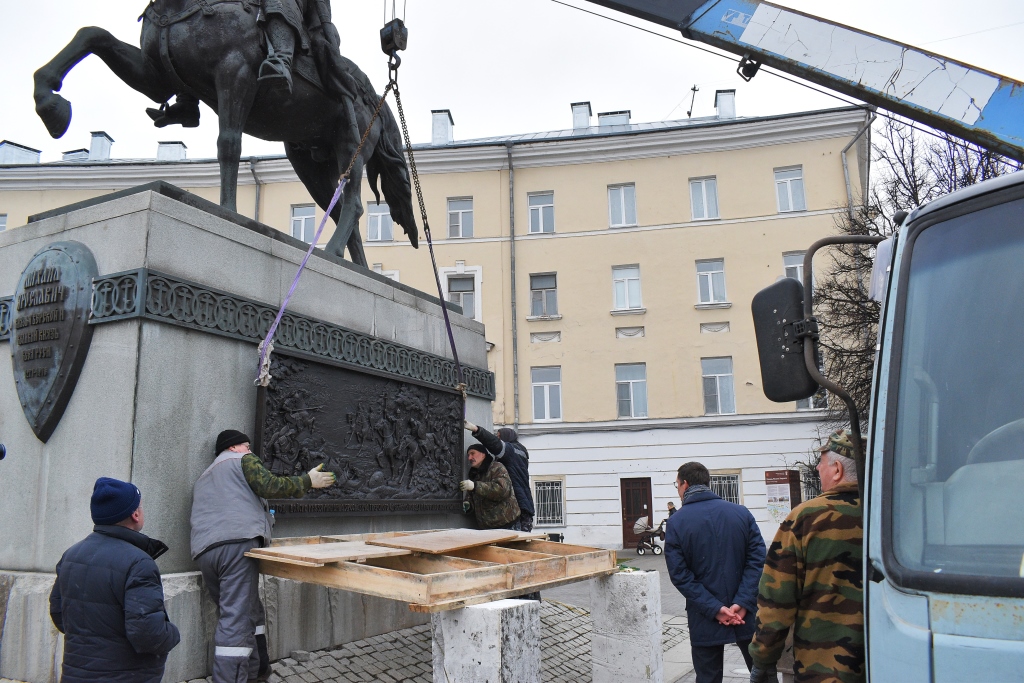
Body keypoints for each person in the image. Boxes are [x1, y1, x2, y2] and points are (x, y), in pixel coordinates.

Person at [191, 429, 335, 683]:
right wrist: (306, 481)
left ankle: (257, 670)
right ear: (233, 447)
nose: (250, 450)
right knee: (236, 619)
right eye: (246, 446)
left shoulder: (205, 477)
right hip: (237, 547)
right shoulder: (242, 460)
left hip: (205, 553)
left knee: (247, 609)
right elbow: (269, 484)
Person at [748, 430, 865, 683]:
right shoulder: (892, 514)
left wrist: (763, 657)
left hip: (822, 670)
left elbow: (777, 601)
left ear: (837, 470)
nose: (817, 468)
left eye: (821, 463)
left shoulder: (805, 518)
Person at [50, 477, 181, 682]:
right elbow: (149, 634)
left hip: (75, 673)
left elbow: (59, 613)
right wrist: (173, 633)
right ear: (135, 514)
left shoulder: (71, 555)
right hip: (125, 675)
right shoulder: (139, 563)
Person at [665, 462, 766, 683]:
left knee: (708, 678)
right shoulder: (741, 513)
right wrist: (743, 602)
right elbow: (758, 560)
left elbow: (680, 574)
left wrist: (715, 609)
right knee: (762, 674)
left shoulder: (676, 522)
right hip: (745, 614)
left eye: (677, 485)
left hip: (704, 614)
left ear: (685, 484)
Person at [465, 420, 536, 531]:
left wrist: (476, 430)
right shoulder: (515, 453)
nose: (498, 439)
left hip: (519, 510)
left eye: (499, 437)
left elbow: (495, 445)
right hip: (520, 506)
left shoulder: (511, 451)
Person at [459, 443, 521, 531]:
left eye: (473, 453)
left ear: (483, 454)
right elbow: (471, 497)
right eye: (468, 455)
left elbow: (502, 490)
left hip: (508, 526)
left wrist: (475, 486)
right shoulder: (474, 475)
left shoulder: (497, 467)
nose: (469, 458)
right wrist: (468, 505)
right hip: (488, 529)